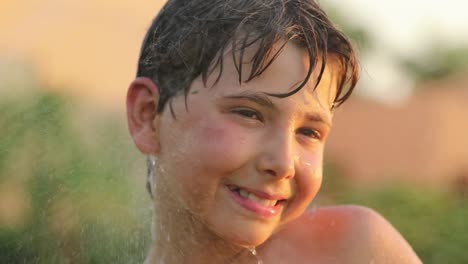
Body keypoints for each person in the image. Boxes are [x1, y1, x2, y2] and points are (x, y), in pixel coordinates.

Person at [126, 0, 422, 263]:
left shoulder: (355, 249)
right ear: (148, 115)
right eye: (248, 113)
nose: (282, 163)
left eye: (308, 132)